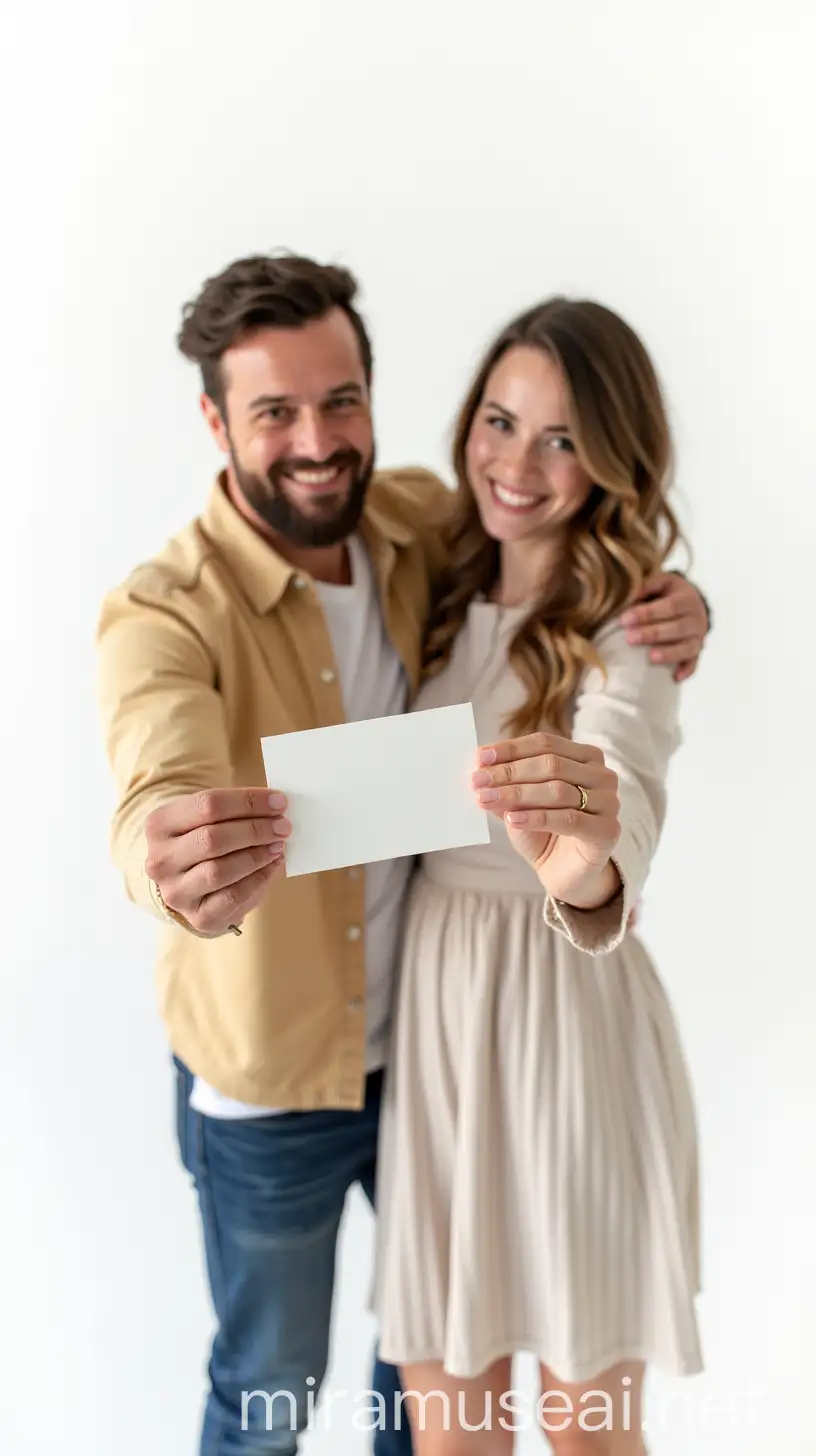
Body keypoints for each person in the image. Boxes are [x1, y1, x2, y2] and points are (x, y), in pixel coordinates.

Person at [95, 254, 710, 1456]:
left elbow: (619, 778)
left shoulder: (430, 528)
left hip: (512, 1044)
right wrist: (160, 853)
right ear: (216, 420)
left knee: (492, 1411)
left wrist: (587, 856)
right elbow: (155, 775)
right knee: (274, 1384)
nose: (317, 441)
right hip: (285, 1072)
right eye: (275, 410)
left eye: (341, 402)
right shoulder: (168, 606)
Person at [370, 297, 703, 1455]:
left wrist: (588, 873)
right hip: (440, 1022)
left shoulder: (632, 623)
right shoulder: (436, 571)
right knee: (451, 1432)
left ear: (615, 457)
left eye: (562, 438)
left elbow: (627, 781)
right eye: (501, 420)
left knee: (587, 1433)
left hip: (566, 1022)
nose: (517, 463)